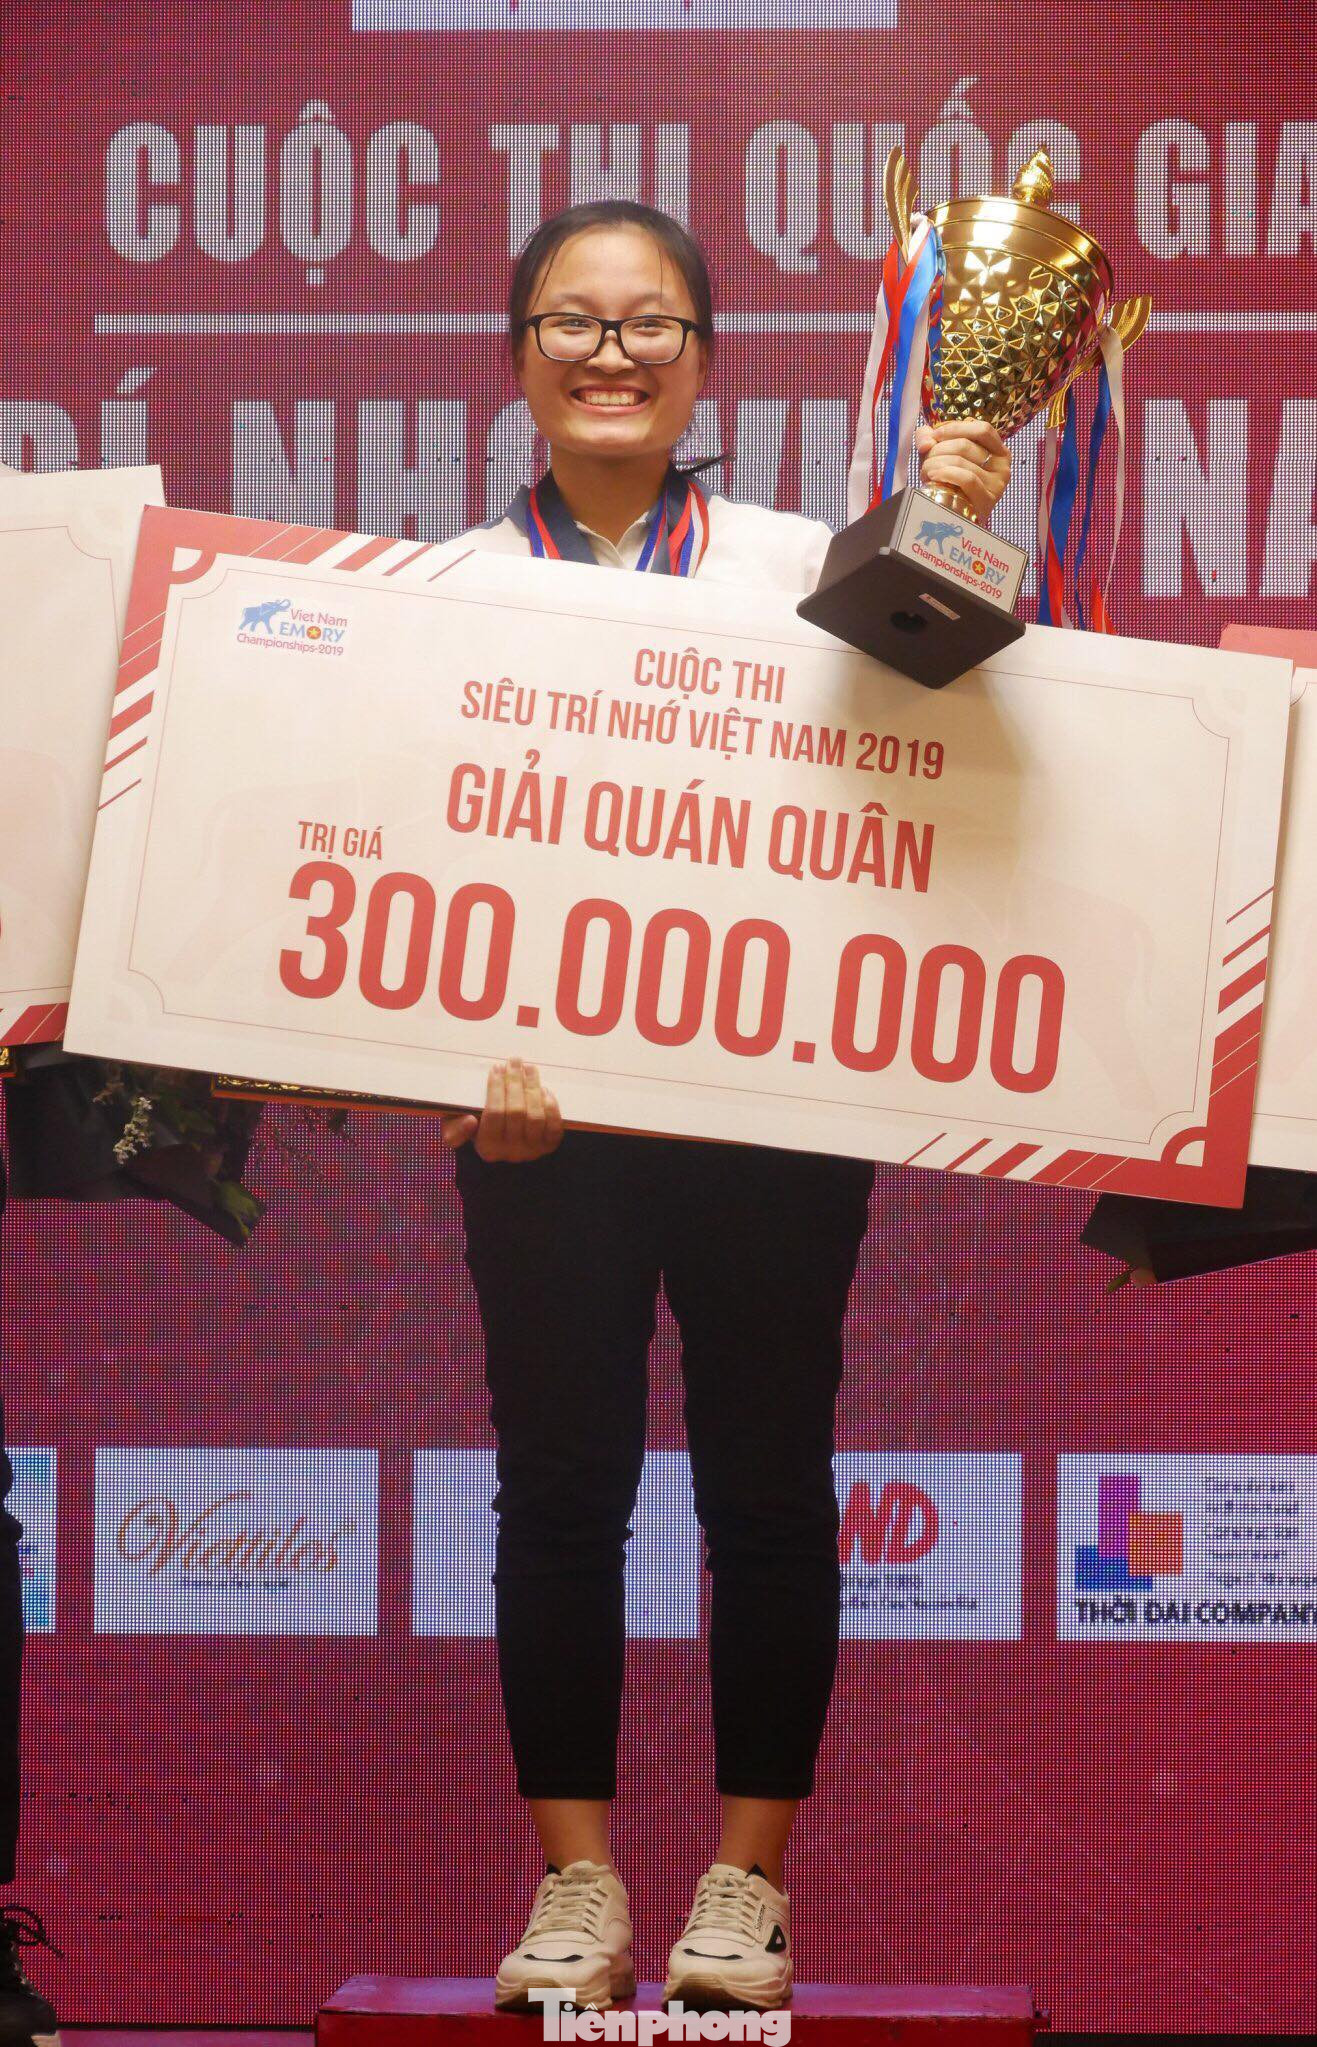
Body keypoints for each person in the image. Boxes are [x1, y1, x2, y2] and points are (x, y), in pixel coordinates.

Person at [434, 199, 1010, 2013]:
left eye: (649, 324)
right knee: (558, 1497)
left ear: (701, 360)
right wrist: (447, 1069)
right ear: (517, 353)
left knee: (767, 1492)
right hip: (541, 1126)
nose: (610, 354)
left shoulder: (798, 562)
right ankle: (578, 1887)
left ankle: (744, 1892)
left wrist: (954, 525)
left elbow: (959, 726)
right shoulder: (434, 593)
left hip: (775, 1110)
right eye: (573, 321)